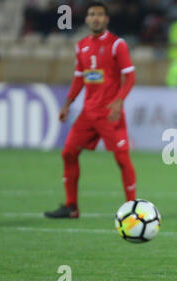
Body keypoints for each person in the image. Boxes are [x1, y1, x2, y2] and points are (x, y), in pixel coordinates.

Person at [45, 1, 137, 218]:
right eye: (92, 14)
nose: (96, 18)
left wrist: (119, 101)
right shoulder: (81, 46)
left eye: (100, 14)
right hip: (88, 113)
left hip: (109, 113)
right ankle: (71, 207)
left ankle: (132, 209)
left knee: (122, 159)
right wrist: (67, 105)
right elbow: (79, 79)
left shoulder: (117, 44)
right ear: (86, 19)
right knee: (68, 153)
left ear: (106, 19)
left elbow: (130, 77)